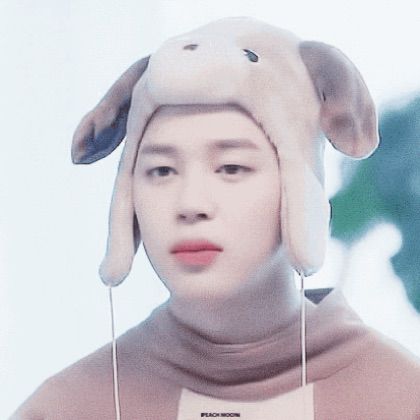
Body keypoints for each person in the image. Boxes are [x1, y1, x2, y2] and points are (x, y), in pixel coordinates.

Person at [11, 16, 420, 420]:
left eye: (231, 168)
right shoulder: (66, 407)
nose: (191, 203)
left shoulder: (401, 398)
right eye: (162, 171)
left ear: (301, 187)